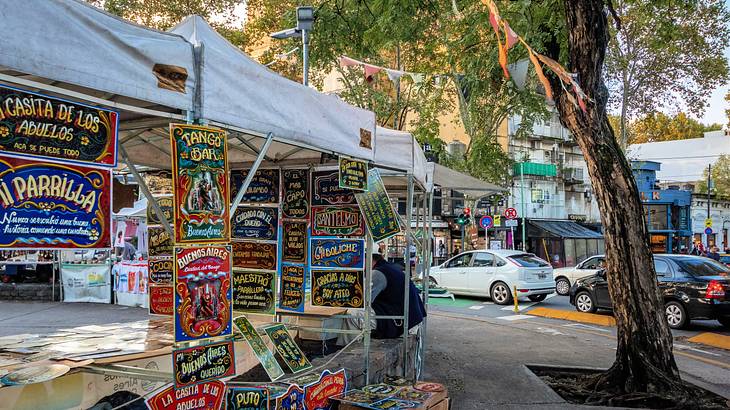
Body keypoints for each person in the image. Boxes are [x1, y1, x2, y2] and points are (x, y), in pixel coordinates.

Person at [337, 248, 426, 345]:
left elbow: (363, 301)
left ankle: (347, 349)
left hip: (400, 322)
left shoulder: (378, 273)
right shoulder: (389, 267)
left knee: (353, 314)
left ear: (368, 259)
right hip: (408, 318)